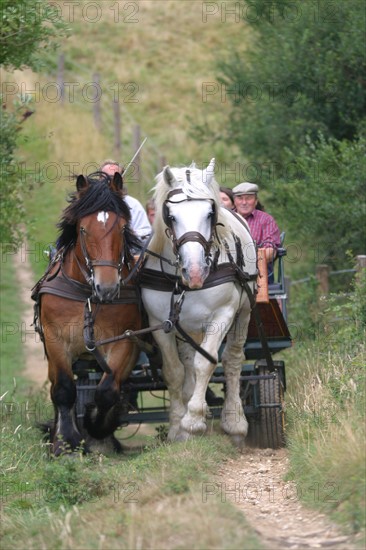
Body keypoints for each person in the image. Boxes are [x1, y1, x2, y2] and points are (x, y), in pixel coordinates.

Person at [232, 182, 281, 280]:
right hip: (230, 274)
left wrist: (245, 261)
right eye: (240, 198)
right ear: (234, 201)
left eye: (249, 198)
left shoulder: (266, 220)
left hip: (259, 274)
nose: (244, 202)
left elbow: (269, 252)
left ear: (256, 201)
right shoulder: (226, 218)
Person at [100, 160, 151, 241]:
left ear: (121, 179)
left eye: (113, 177)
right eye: (105, 177)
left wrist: (128, 234)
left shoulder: (133, 205)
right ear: (99, 179)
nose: (109, 181)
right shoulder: (90, 205)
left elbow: (146, 234)